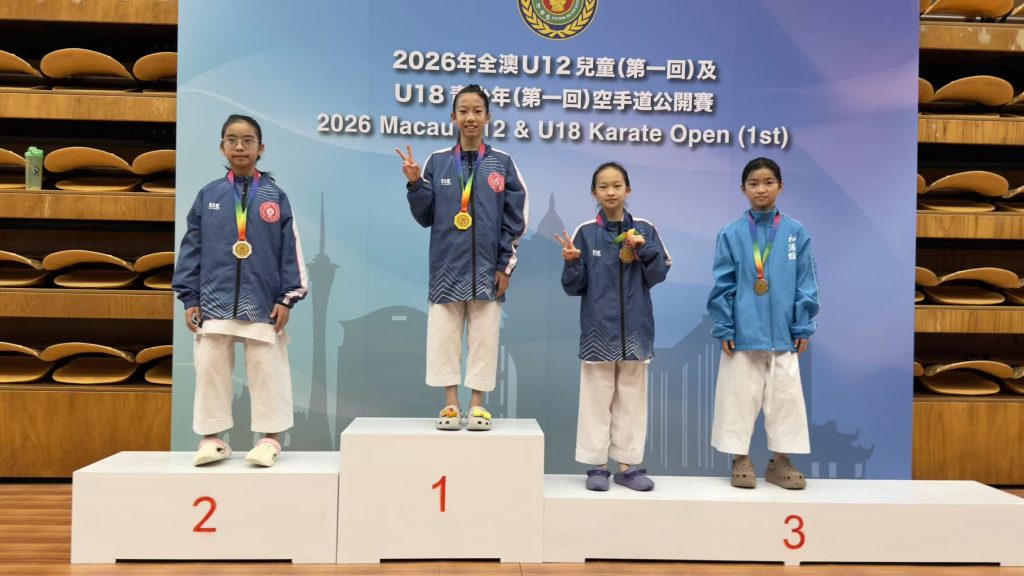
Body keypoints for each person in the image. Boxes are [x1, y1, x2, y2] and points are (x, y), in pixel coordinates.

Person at [172, 114, 307, 467]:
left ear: (261, 148)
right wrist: (189, 297)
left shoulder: (275, 196)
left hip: (263, 299)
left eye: (248, 140)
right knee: (210, 366)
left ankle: (270, 439)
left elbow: (290, 250)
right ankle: (212, 439)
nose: (240, 146)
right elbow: (192, 248)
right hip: (213, 298)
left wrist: (287, 297)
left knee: (267, 369)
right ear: (222, 147)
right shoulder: (209, 195)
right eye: (232, 140)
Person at [395, 85, 528, 431]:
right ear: (453, 117)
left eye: (477, 111)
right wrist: (415, 184)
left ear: (488, 117)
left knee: (484, 338)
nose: (471, 117)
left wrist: (504, 265)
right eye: (464, 111)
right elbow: (426, 216)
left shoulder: (502, 164)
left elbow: (515, 220)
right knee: (444, 338)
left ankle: (478, 405)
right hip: (446, 267)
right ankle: (451, 404)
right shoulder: (438, 162)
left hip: (487, 269)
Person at [556, 162, 671, 491]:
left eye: (617, 185)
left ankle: (627, 465)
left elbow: (658, 274)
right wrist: (572, 263)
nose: (610, 192)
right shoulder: (585, 232)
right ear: (594, 193)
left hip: (636, 330)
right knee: (596, 400)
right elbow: (574, 287)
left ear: (628, 190)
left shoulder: (645, 229)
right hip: (598, 331)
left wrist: (644, 248)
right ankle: (597, 466)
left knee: (632, 400)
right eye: (603, 187)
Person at [707, 157, 819, 489]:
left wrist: (802, 325)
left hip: (784, 334)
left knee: (786, 401)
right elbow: (723, 283)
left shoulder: (795, 232)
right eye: (753, 183)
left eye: (768, 182)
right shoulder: (732, 233)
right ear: (742, 189)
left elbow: (806, 281)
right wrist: (725, 327)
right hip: (743, 333)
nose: (761, 189)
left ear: (780, 186)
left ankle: (781, 462)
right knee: (738, 398)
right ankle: (739, 459)